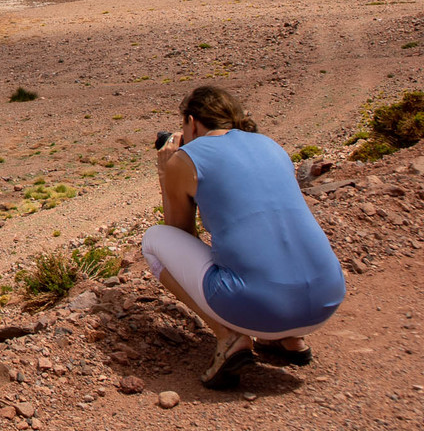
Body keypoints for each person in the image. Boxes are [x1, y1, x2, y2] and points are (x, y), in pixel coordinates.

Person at [141, 85, 345, 389]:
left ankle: (230, 338)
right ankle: (289, 339)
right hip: (326, 299)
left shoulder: (185, 159)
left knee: (154, 241)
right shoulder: (269, 144)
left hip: (262, 308)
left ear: (192, 122)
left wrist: (166, 171)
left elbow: (180, 235)